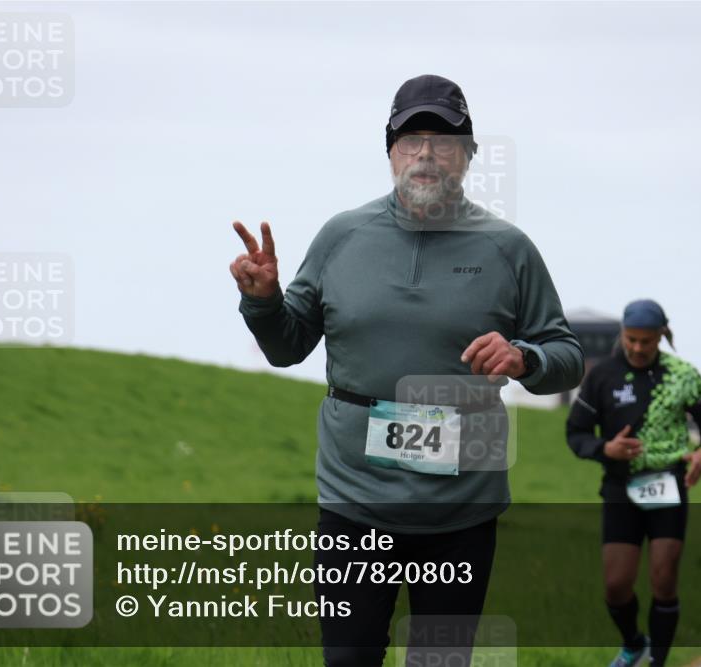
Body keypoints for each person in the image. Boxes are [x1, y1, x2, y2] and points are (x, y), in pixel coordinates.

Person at [228, 74, 584, 667]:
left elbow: (566, 355)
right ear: (390, 151)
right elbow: (287, 347)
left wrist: (526, 357)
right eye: (411, 140)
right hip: (354, 501)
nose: (426, 154)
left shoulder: (508, 248)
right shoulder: (342, 237)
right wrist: (263, 302)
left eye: (443, 142)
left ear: (468, 155)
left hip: (461, 507)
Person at [565, 299, 701, 667]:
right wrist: (606, 449)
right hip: (621, 487)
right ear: (622, 334)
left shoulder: (682, 375)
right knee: (616, 585)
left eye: (646, 341)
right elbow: (576, 433)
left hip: (668, 482)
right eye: (631, 339)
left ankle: (657, 661)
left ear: (661, 336)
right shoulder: (602, 376)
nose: (637, 348)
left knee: (664, 577)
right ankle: (634, 643)